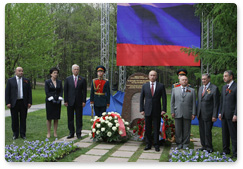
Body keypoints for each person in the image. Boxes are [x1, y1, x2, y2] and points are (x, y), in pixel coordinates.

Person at [140, 70, 167, 152]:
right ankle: (148, 144)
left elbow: (164, 98)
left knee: (156, 128)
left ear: (156, 76)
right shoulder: (145, 86)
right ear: (149, 76)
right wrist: (141, 109)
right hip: (147, 110)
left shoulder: (161, 86)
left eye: (154, 75)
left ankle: (156, 144)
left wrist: (164, 109)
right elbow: (142, 98)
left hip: (157, 110)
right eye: (151, 75)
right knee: (147, 128)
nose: (152, 77)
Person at [5, 67, 32, 140]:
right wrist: (8, 102)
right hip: (14, 102)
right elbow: (7, 92)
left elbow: (29, 92)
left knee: (23, 118)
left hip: (23, 102)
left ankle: (23, 134)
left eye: (22, 71)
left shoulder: (26, 81)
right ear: (15, 72)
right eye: (19, 71)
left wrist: (29, 102)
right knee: (14, 119)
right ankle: (15, 134)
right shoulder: (10, 81)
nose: (21, 72)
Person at [171, 75, 196, 149]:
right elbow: (172, 102)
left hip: (188, 112)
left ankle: (185, 144)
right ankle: (179, 143)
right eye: (183, 80)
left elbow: (194, 103)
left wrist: (193, 113)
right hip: (177, 112)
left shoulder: (192, 90)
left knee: (187, 129)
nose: (184, 81)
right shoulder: (175, 90)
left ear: (187, 81)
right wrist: (172, 111)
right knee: (178, 129)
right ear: (180, 81)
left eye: (185, 80)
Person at [197, 74, 219, 153]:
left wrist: (214, 115)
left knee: (207, 131)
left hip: (209, 114)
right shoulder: (200, 88)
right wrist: (197, 112)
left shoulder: (214, 88)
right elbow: (199, 101)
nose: (203, 81)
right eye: (202, 79)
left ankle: (209, 147)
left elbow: (216, 103)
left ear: (209, 79)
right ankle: (203, 146)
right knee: (202, 131)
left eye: (205, 79)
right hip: (200, 114)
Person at [64, 64, 87, 139]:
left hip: (79, 102)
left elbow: (84, 91)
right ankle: (71, 133)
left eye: (77, 69)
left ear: (79, 70)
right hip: (70, 101)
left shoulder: (82, 79)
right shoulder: (68, 79)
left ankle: (78, 133)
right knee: (70, 118)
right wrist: (66, 100)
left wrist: (84, 101)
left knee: (79, 118)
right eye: (75, 69)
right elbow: (66, 90)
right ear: (72, 70)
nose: (76, 71)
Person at [219, 70, 237, 158]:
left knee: (234, 134)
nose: (224, 78)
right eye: (223, 76)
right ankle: (226, 150)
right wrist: (220, 112)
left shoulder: (236, 87)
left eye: (226, 76)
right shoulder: (224, 87)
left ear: (231, 77)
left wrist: (236, 114)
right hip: (224, 115)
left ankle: (236, 152)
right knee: (225, 134)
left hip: (232, 115)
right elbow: (221, 101)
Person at [45, 67, 63, 138]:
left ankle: (55, 132)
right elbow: (47, 91)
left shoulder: (59, 82)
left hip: (57, 101)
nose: (56, 74)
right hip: (50, 101)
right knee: (49, 117)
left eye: (57, 73)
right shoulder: (47, 82)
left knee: (56, 117)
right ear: (51, 74)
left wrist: (59, 98)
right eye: (54, 73)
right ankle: (48, 132)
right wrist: (51, 98)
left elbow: (61, 91)